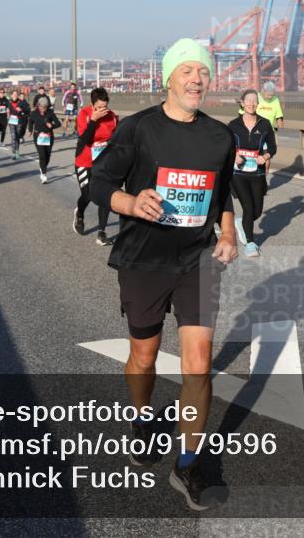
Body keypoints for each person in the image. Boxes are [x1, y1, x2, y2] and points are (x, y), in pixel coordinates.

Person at [90, 38, 238, 511]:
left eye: (203, 71)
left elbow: (222, 194)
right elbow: (99, 183)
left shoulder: (220, 137)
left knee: (199, 361)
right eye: (187, 71)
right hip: (143, 261)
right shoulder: (137, 129)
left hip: (197, 261)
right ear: (168, 79)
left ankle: (188, 462)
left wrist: (228, 232)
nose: (197, 79)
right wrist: (131, 203)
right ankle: (140, 417)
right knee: (144, 355)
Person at [227, 89, 277, 258]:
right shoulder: (233, 125)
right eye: (248, 100)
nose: (251, 103)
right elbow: (226, 146)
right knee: (248, 207)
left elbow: (272, 147)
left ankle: (241, 223)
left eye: (254, 100)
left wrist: (265, 156)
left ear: (258, 103)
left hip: (257, 173)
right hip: (238, 174)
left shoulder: (264, 124)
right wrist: (234, 155)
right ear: (242, 103)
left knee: (257, 211)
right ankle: (250, 243)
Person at [74, 87, 119, 245]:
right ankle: (80, 214)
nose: (102, 110)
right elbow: (84, 140)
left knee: (104, 195)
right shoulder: (84, 114)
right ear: (92, 105)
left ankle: (102, 232)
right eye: (99, 107)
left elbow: (116, 139)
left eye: (104, 107)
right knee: (88, 195)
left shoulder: (112, 117)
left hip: (103, 163)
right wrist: (93, 120)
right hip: (84, 161)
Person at [29, 95, 62, 183]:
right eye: (42, 107)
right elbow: (30, 121)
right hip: (38, 136)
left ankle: (42, 167)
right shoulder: (34, 113)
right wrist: (30, 130)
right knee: (42, 155)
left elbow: (58, 123)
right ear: (38, 105)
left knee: (47, 155)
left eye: (45, 107)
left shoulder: (50, 112)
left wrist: (52, 125)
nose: (43, 109)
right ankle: (43, 174)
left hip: (48, 137)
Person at [6, 90, 30, 160]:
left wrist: (21, 110)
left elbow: (28, 111)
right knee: (13, 136)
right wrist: (7, 112)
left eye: (16, 94)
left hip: (19, 121)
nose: (15, 95)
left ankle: (17, 151)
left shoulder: (21, 102)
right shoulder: (8, 102)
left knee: (17, 136)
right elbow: (5, 111)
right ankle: (13, 152)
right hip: (11, 121)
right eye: (13, 94)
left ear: (18, 96)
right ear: (11, 95)